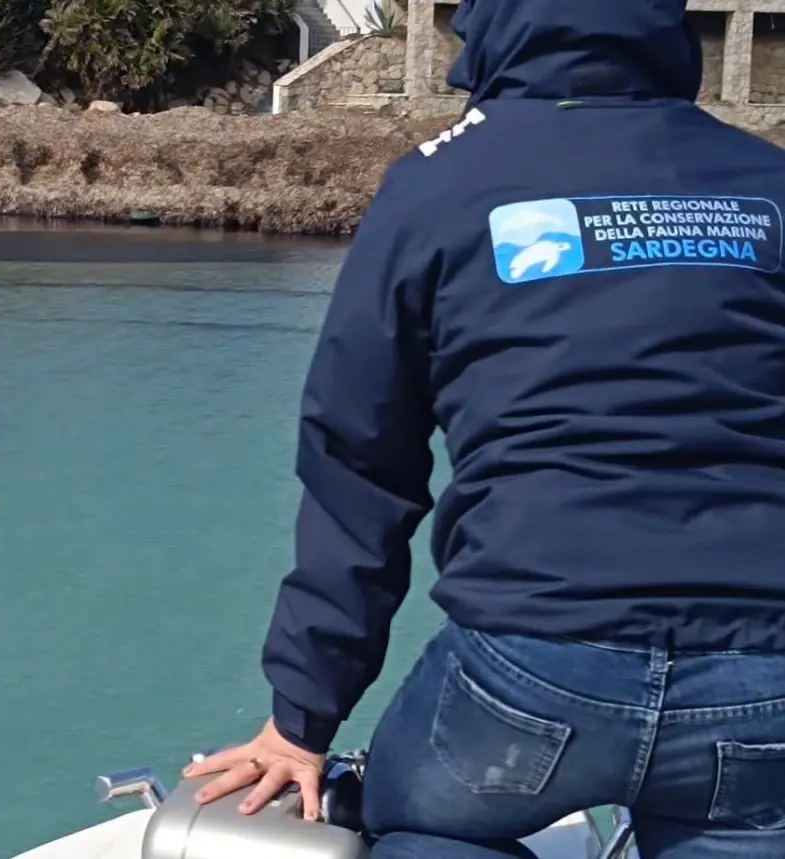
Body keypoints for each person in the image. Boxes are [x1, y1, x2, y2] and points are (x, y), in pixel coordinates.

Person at [184, 0, 785, 856]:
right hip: (763, 675)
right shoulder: (767, 180)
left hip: (528, 666)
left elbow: (360, 464)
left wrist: (300, 720)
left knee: (422, 820)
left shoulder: (438, 185)